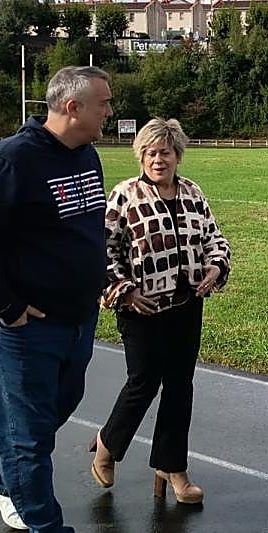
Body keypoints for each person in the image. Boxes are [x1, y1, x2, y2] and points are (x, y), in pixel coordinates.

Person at [0, 65, 113, 533]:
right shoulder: (10, 161)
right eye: (103, 104)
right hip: (22, 327)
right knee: (27, 434)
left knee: (56, 410)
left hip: (77, 317)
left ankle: (2, 482)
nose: (110, 112)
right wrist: (4, 306)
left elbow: (88, 231)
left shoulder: (87, 157)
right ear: (71, 107)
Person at [90, 118, 231, 505]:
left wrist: (216, 266)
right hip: (142, 309)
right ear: (141, 155)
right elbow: (103, 251)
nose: (158, 160)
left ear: (177, 156)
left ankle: (173, 469)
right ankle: (107, 444)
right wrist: (124, 292)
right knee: (144, 382)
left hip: (186, 307)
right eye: (150, 153)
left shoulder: (192, 193)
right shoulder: (124, 196)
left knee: (180, 387)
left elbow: (213, 238)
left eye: (165, 153)